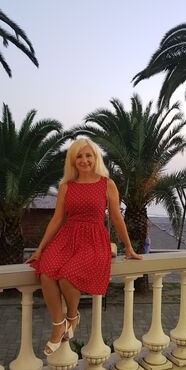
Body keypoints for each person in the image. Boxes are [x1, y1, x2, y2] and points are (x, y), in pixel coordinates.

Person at [26, 138, 142, 356]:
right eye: (79, 156)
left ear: (95, 158)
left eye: (88, 155)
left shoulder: (106, 184)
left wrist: (128, 247)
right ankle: (58, 324)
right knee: (46, 271)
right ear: (72, 161)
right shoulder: (66, 186)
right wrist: (40, 249)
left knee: (67, 275)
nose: (84, 160)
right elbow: (57, 219)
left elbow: (116, 218)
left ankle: (72, 316)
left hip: (93, 239)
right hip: (67, 237)